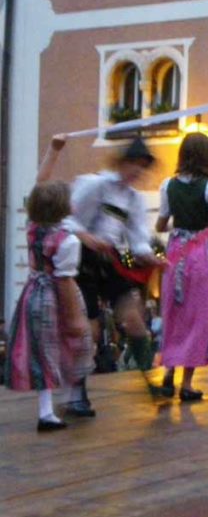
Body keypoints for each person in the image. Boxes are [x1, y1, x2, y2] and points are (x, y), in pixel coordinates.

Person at [66, 136, 163, 411]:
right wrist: (86, 236)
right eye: (135, 164)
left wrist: (151, 257)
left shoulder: (134, 199)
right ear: (123, 163)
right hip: (82, 259)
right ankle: (76, 393)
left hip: (110, 259)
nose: (138, 172)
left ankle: (151, 383)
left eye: (143, 167)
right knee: (91, 330)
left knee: (133, 319)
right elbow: (66, 218)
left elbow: (137, 238)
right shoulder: (95, 185)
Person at [154, 133, 208, 402]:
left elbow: (160, 226)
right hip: (201, 253)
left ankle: (168, 375)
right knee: (197, 314)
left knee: (174, 311)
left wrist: (178, 227)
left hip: (177, 251)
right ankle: (187, 383)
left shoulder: (167, 185)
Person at [5, 182, 93, 431]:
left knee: (42, 351)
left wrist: (54, 152)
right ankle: (72, 396)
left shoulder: (32, 228)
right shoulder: (68, 241)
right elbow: (64, 280)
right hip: (56, 298)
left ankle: (47, 411)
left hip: (33, 293)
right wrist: (75, 317)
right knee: (73, 346)